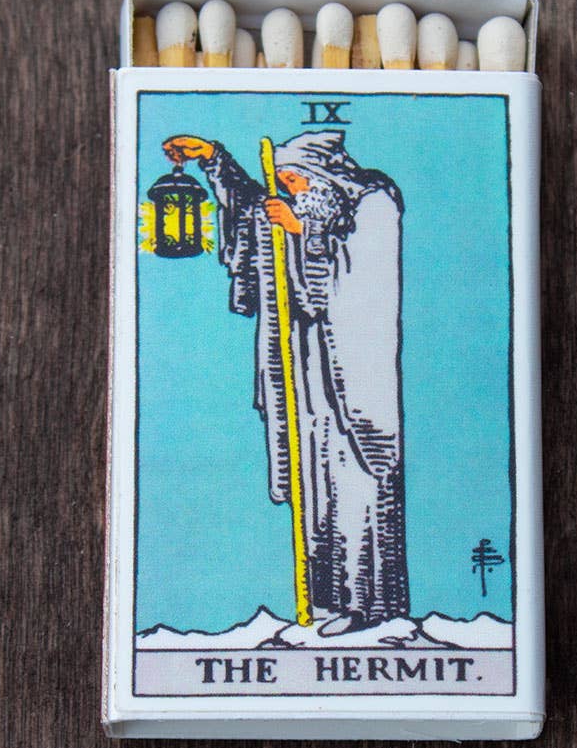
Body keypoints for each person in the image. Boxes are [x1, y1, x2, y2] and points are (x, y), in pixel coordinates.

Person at [163, 131, 409, 635]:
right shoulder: (308, 207)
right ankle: (328, 600)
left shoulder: (373, 204)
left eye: (295, 181)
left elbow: (359, 277)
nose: (289, 191)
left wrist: (302, 231)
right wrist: (213, 158)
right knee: (315, 480)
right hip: (306, 369)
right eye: (286, 183)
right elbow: (252, 206)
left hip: (350, 378)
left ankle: (368, 605)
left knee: (353, 479)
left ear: (324, 178)